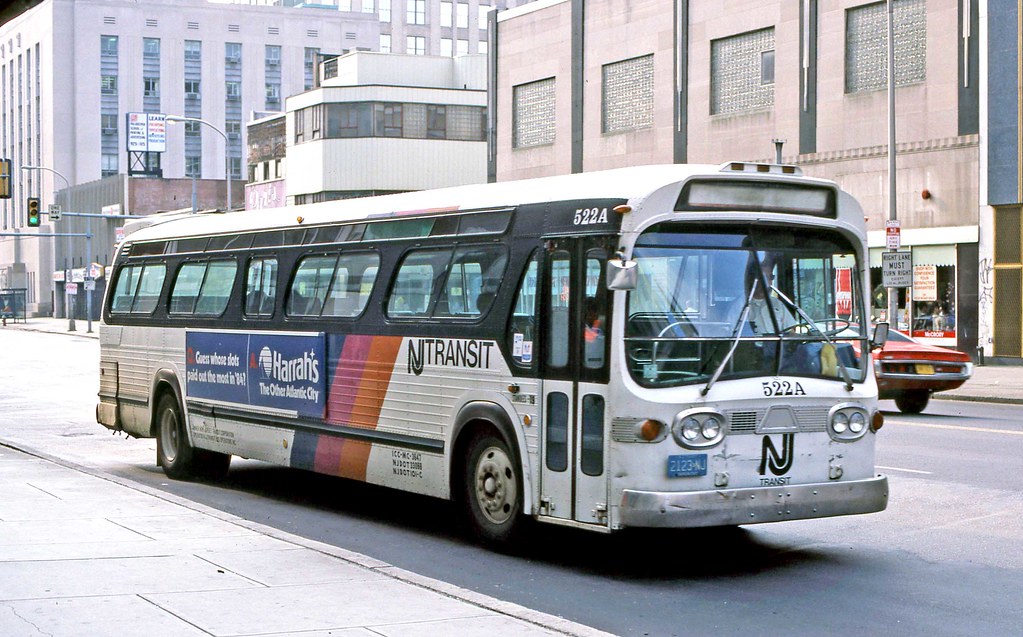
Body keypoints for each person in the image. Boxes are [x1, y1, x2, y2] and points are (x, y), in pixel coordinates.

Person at [746, 256, 796, 335]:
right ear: (754, 279)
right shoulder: (740, 306)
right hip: (750, 347)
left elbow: (791, 332)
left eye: (771, 277)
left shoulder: (777, 304)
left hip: (778, 347)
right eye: (764, 278)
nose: (769, 282)